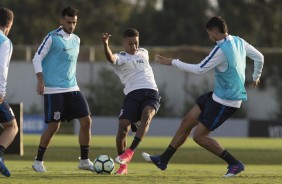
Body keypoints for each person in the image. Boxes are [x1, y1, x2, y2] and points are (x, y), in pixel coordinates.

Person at [142, 16, 264, 177]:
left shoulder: (220, 50)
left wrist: (173, 62)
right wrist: (256, 76)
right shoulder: (239, 41)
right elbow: (259, 57)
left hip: (226, 101)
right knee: (187, 121)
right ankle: (163, 159)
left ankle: (235, 164)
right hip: (217, 95)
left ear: (214, 31)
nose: (209, 37)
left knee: (199, 136)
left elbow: (199, 69)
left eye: (209, 33)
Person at [32, 6, 93, 172]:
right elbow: (36, 58)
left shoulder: (77, 40)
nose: (72, 25)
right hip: (53, 89)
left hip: (72, 87)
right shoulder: (52, 37)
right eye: (69, 22)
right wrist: (40, 80)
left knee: (87, 121)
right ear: (61, 20)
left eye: (74, 22)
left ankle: (84, 161)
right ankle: (38, 162)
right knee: (53, 127)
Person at [101, 28, 161, 175]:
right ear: (123, 43)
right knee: (123, 127)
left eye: (136, 43)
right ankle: (123, 167)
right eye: (130, 43)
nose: (134, 46)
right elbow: (111, 58)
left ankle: (129, 152)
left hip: (151, 92)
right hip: (132, 95)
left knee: (147, 115)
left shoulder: (144, 52)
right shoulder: (120, 57)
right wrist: (105, 44)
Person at [0, 7, 18, 178]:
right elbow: (2, 68)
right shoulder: (5, 41)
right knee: (12, 126)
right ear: (9, 24)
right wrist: (1, 91)